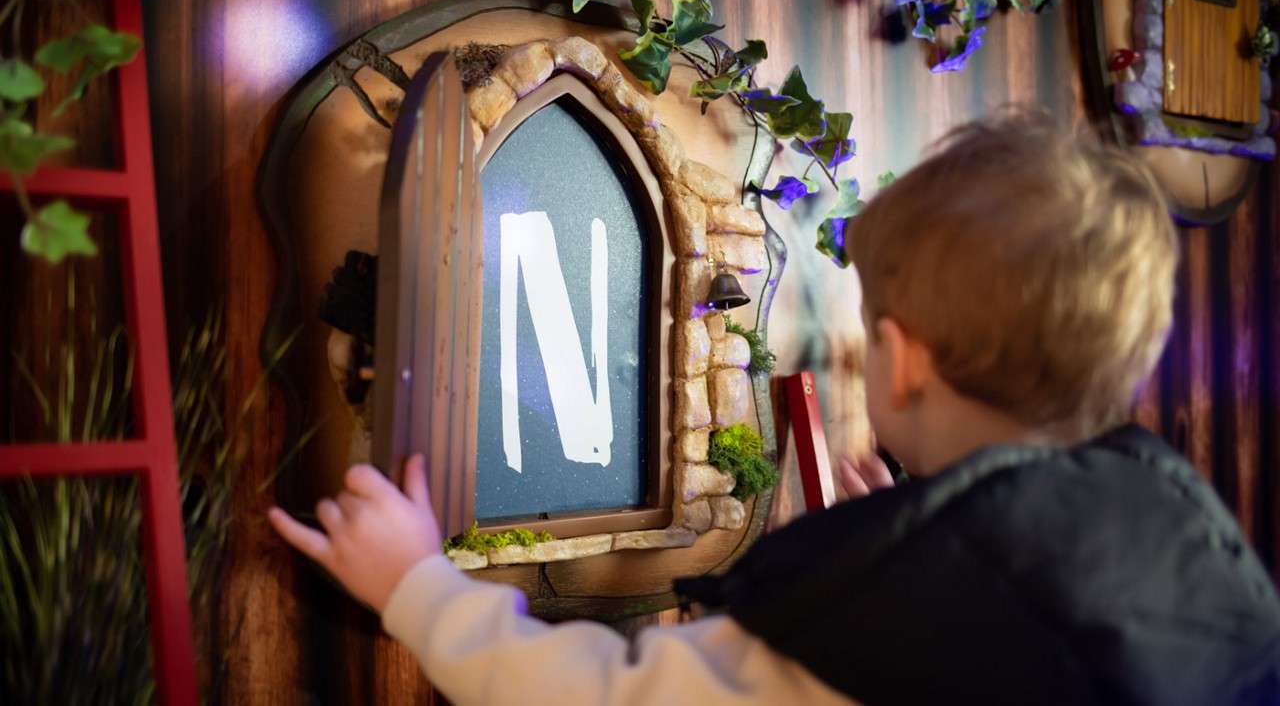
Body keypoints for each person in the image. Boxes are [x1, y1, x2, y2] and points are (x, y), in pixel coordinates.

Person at [269, 114, 1280, 705]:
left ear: (895, 362)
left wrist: (414, 584)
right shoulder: (1190, 549)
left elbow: (600, 694)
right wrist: (916, 521)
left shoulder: (871, 632)